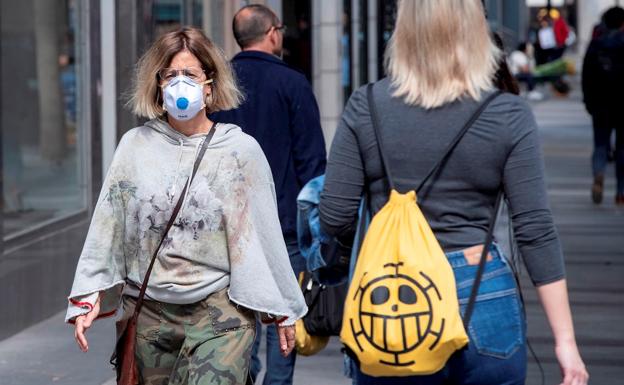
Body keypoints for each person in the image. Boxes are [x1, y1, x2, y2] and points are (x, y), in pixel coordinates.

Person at [319, 1, 588, 384]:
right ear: (475, 32)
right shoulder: (508, 114)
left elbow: (335, 216)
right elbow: (535, 230)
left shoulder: (366, 105)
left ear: (403, 33)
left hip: (393, 293)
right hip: (481, 288)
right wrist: (565, 340)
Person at [65, 27, 307, 385]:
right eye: (170, 75)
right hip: (147, 314)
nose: (180, 83)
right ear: (158, 85)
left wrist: (283, 308)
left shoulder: (240, 151)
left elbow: (262, 235)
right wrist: (88, 296)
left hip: (219, 314)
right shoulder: (135, 146)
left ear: (209, 85)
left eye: (190, 74)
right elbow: (108, 224)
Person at [211, 5, 326, 385]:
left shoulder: (218, 85)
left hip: (227, 226)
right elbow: (313, 164)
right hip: (283, 225)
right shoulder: (292, 83)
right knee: (283, 322)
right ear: (273, 33)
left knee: (239, 319)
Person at [582, 6, 624, 206]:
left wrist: (588, 102)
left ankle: (598, 174)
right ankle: (620, 192)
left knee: (600, 145)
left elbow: (586, 76)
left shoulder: (596, 45)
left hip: (600, 105)